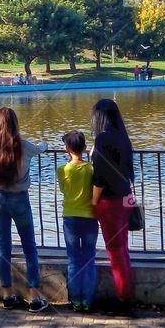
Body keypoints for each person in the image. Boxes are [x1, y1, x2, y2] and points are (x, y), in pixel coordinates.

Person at [0, 107, 49, 313]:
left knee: (4, 248)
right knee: (29, 247)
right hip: (20, 200)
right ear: (15, 124)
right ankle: (35, 297)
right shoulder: (25, 146)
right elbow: (41, 148)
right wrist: (44, 143)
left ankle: (8, 294)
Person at [89, 98, 136, 316]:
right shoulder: (123, 137)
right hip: (126, 198)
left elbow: (99, 177)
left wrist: (94, 202)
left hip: (111, 202)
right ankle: (125, 296)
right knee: (123, 249)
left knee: (114, 252)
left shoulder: (102, 139)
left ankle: (123, 300)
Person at [56, 130, 98, 312]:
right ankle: (87, 301)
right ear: (84, 148)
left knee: (73, 260)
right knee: (89, 259)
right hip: (89, 217)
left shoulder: (62, 170)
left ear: (67, 149)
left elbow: (64, 190)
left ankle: (76, 301)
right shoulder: (91, 169)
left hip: (70, 217)